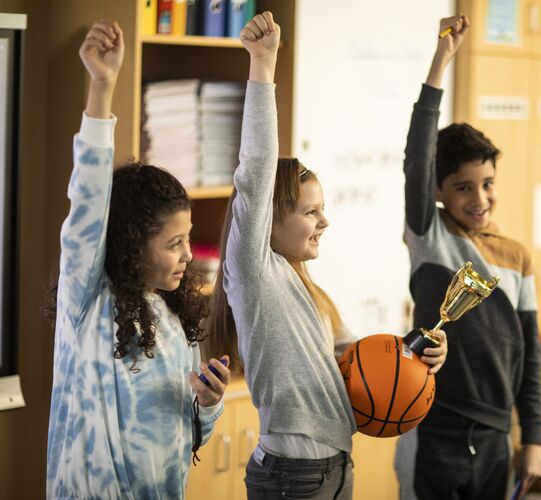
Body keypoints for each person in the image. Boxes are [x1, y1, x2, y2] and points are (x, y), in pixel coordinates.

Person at [201, 12, 447, 499]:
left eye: (323, 210)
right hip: (291, 477)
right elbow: (255, 168)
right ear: (270, 216)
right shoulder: (253, 274)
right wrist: (263, 66)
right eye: (310, 212)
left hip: (334, 468)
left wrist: (417, 353)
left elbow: (354, 358)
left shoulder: (309, 290)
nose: (324, 222)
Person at [45, 20, 230, 498]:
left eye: (188, 240)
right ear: (130, 243)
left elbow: (189, 438)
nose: (189, 255)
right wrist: (102, 87)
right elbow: (87, 197)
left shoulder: (173, 317)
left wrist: (208, 404)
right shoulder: (88, 301)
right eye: (174, 244)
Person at [394, 14, 541, 500]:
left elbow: (530, 356)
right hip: (434, 426)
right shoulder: (429, 235)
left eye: (487, 184)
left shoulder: (516, 257)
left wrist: (534, 438)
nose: (479, 199)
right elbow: (418, 155)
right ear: (438, 191)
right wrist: (442, 61)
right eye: (463, 188)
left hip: (497, 433)